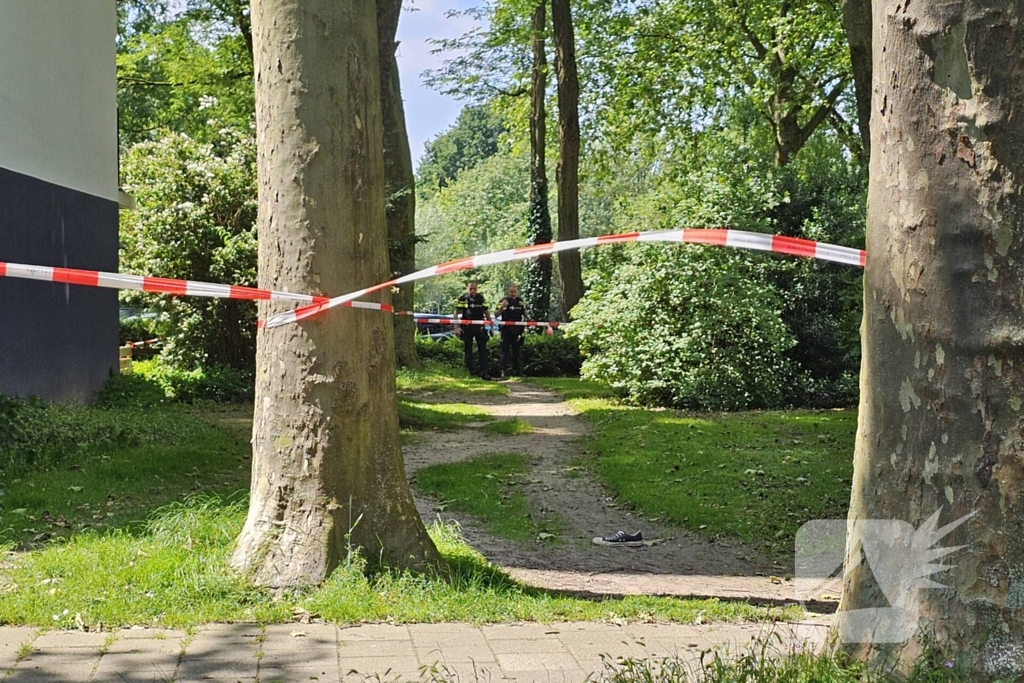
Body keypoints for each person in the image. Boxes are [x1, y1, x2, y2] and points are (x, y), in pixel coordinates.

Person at [454, 280, 492, 380]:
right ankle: (469, 373)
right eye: (470, 289)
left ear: (477, 289)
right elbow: (456, 313)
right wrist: (456, 328)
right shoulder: (463, 298)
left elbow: (486, 312)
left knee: (483, 350)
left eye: (474, 289)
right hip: (467, 328)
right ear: (468, 288)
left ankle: (485, 373)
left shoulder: (481, 298)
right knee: (468, 351)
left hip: (479, 327)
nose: (472, 291)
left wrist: (491, 326)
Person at [495, 284, 527, 378]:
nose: (513, 294)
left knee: (517, 351)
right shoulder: (503, 301)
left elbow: (526, 315)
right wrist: (502, 307)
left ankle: (518, 371)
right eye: (511, 292)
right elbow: (496, 314)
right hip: (506, 329)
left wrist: (524, 308)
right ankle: (503, 371)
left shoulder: (520, 301)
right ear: (508, 292)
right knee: (504, 350)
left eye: (515, 292)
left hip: (518, 329)